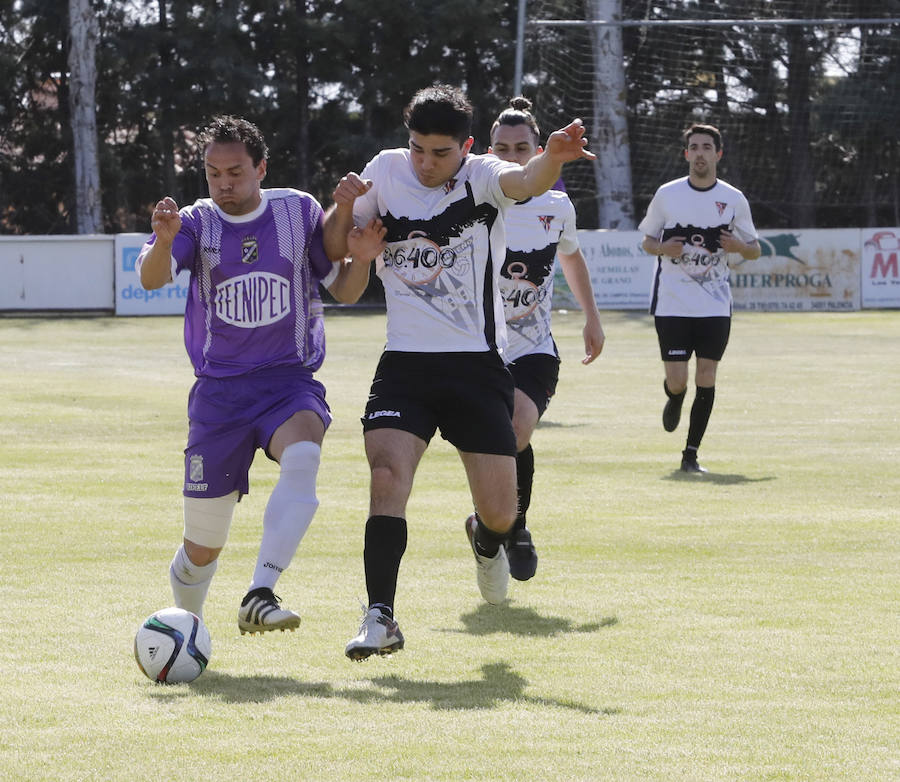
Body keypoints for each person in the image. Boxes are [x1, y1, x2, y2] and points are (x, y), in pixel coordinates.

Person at [327, 85, 596, 661]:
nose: (426, 163)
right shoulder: (385, 171)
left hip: (476, 366)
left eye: (440, 153)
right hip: (404, 364)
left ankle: (485, 541)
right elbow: (341, 268)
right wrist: (347, 214)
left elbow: (526, 183)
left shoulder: (483, 176)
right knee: (385, 477)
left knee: (501, 513)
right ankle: (380, 617)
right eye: (418, 149)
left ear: (466, 147)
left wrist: (550, 156)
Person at [137, 115, 386, 635]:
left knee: (304, 455)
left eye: (235, 172)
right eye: (212, 173)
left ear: (260, 168)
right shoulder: (195, 221)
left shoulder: (296, 211)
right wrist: (162, 242)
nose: (224, 183)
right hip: (219, 393)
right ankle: (188, 625)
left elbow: (342, 288)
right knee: (202, 546)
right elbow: (151, 278)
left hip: (287, 380)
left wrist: (360, 259)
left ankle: (260, 591)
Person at [486, 96, 605, 581]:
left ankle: (515, 528)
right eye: (501, 147)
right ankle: (489, 523)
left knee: (517, 427)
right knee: (497, 443)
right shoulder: (473, 198)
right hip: (478, 348)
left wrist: (591, 318)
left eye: (521, 147)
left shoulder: (556, 205)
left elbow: (571, 257)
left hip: (533, 346)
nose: (512, 156)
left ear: (540, 149)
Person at [638, 123, 760, 473]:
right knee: (679, 380)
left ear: (718, 154)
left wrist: (738, 247)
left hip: (715, 304)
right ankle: (674, 397)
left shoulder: (733, 198)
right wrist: (663, 247)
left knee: (706, 376)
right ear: (686, 154)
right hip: (673, 302)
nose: (701, 153)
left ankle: (690, 455)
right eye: (694, 147)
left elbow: (754, 249)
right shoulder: (668, 194)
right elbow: (646, 240)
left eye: (708, 147)